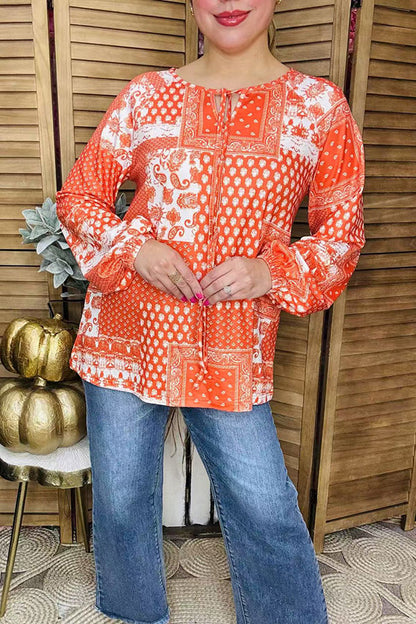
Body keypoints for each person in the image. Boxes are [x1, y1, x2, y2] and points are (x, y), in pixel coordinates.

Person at [55, 0, 365, 621]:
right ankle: (133, 611)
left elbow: (342, 235)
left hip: (232, 345)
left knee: (263, 504)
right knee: (121, 500)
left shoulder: (319, 108)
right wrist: (134, 248)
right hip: (125, 336)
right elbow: (80, 198)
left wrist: (269, 271)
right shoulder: (145, 97)